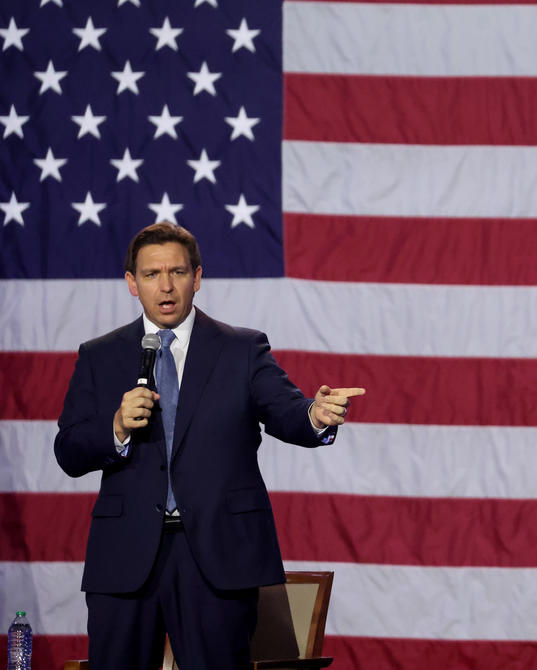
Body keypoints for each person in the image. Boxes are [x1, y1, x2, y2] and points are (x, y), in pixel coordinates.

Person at [54, 222, 364, 669]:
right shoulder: (100, 355)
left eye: (177, 272)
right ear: (131, 283)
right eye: (151, 274)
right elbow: (68, 451)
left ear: (197, 278)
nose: (165, 285)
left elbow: (287, 410)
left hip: (217, 557)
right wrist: (117, 426)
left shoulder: (242, 349)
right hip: (125, 556)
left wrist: (315, 415)